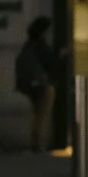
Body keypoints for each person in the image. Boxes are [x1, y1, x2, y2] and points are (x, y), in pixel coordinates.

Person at [15, 18, 58, 152]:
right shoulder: (42, 47)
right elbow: (51, 63)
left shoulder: (29, 45)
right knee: (42, 115)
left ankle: (36, 144)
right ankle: (37, 145)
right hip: (44, 85)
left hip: (33, 85)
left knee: (38, 114)